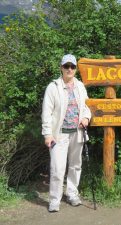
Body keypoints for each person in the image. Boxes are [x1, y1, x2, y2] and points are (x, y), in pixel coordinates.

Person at [41, 54, 91, 212]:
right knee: (57, 167)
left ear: (75, 69)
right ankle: (55, 199)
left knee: (76, 165)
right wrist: (47, 134)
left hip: (77, 132)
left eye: (72, 66)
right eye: (66, 66)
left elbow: (87, 106)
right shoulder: (53, 87)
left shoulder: (80, 86)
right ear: (61, 67)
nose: (69, 69)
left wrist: (86, 117)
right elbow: (46, 112)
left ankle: (72, 193)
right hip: (58, 134)